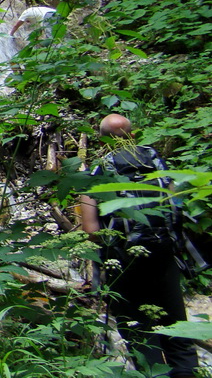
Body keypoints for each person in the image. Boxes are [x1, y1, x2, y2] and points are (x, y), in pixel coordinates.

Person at [80, 113, 198, 378]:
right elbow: (176, 207)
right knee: (178, 330)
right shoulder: (156, 162)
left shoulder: (95, 175)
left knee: (139, 334)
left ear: (100, 140)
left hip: (125, 264)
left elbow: (91, 231)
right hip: (164, 256)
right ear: (133, 136)